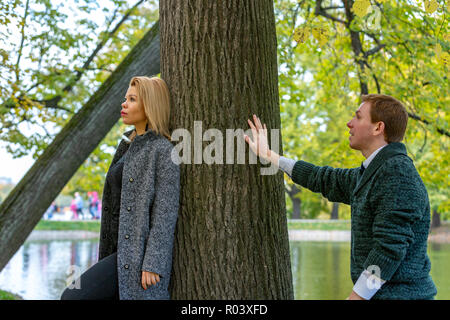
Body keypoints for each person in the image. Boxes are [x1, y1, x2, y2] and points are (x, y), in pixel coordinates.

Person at [244, 94, 437, 300]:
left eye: (358, 117)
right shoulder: (373, 172)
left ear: (377, 128)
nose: (349, 123)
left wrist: (356, 297)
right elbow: (322, 178)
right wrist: (269, 155)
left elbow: (389, 250)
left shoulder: (397, 173)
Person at [60, 76, 180, 300]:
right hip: (115, 248)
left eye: (132, 99)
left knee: (72, 296)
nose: (124, 104)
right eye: (125, 99)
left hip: (137, 255)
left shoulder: (162, 150)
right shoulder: (127, 144)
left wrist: (153, 262)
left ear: (150, 105)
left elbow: (166, 211)